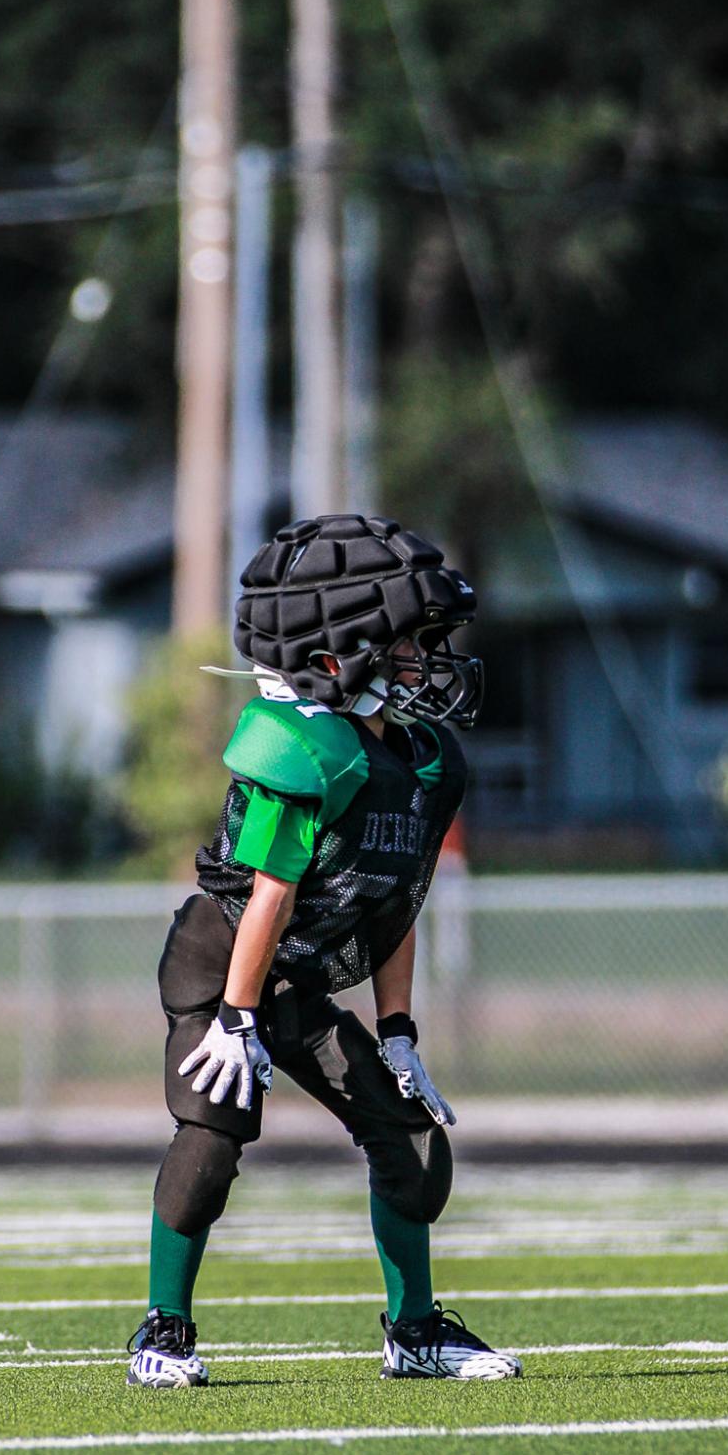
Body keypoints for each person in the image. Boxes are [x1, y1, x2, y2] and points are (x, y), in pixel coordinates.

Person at [126, 513, 523, 1388]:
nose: (433, 662)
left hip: (295, 976)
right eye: (417, 644)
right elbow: (270, 894)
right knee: (213, 1131)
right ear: (341, 653)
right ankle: (164, 1330)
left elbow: (394, 902)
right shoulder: (308, 749)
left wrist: (400, 1032)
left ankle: (415, 1333)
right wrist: (234, 1018)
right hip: (224, 961)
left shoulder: (423, 763)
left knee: (407, 1137)